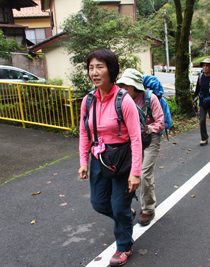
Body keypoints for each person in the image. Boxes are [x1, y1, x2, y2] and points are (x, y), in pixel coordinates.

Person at [78, 49, 142, 266]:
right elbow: (84, 132)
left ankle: (124, 246)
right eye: (91, 68)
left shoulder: (124, 100)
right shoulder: (88, 101)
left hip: (122, 158)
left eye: (100, 67)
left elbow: (136, 139)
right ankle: (126, 212)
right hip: (99, 158)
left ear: (111, 70)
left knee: (118, 205)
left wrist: (135, 173)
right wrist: (83, 161)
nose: (94, 73)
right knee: (98, 203)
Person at [116, 69, 165, 226]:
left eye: (126, 85)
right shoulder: (122, 100)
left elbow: (161, 122)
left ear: (135, 87)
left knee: (144, 174)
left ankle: (148, 209)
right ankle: (126, 207)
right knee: (127, 173)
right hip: (132, 140)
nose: (123, 89)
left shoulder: (151, 98)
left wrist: (147, 129)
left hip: (151, 138)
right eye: (121, 85)